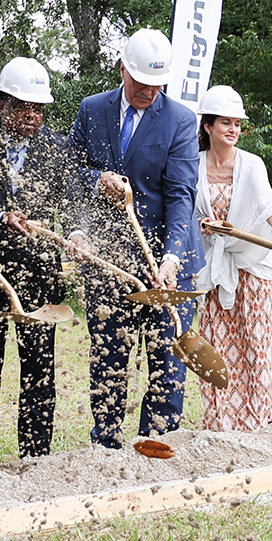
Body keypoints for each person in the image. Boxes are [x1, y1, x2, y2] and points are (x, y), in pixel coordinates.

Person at [66, 29, 203, 447]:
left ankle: (155, 444)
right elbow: (69, 171)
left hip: (166, 260)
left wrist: (171, 258)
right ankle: (105, 445)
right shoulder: (92, 110)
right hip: (109, 259)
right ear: (122, 69)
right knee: (108, 356)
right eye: (141, 83)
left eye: (156, 86)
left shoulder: (180, 120)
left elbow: (182, 194)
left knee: (167, 360)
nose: (148, 92)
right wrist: (84, 213)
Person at [0, 56, 71, 464]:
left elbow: (71, 204)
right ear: (2, 102)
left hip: (39, 279)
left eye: (39, 109)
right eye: (24, 106)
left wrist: (76, 234)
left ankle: (35, 460)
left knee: (40, 370)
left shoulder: (58, 149)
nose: (32, 116)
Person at [190, 84, 272, 431]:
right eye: (225, 123)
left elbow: (268, 205)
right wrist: (198, 224)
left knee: (259, 350)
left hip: (254, 268)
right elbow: (182, 210)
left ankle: (266, 422)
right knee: (218, 347)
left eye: (237, 123)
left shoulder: (252, 164)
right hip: (216, 274)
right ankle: (223, 423)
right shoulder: (192, 165)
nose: (233, 130)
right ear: (208, 127)